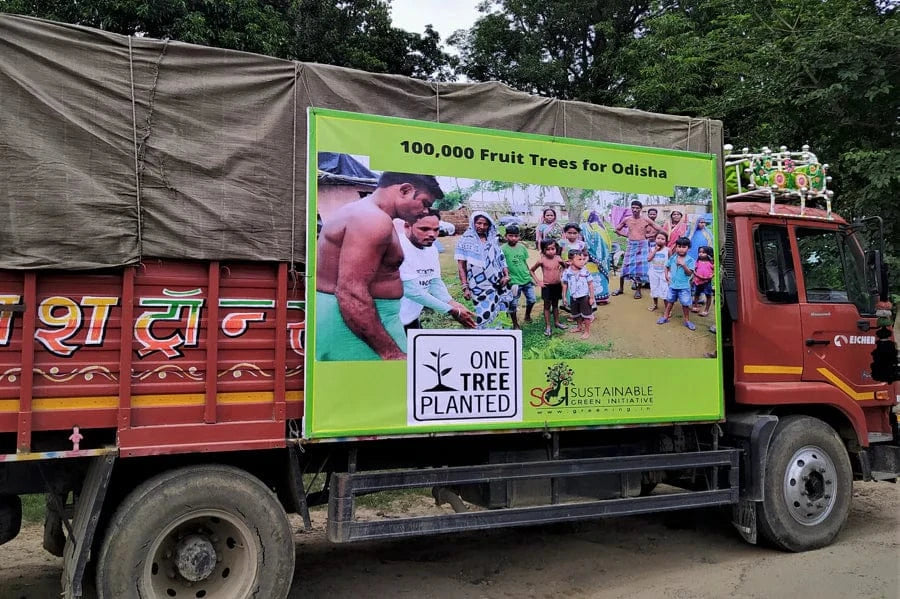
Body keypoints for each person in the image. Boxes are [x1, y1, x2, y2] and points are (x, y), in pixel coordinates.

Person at [316, 172, 442, 361]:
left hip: (357, 321)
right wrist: (390, 352)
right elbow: (351, 291)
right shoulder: (373, 220)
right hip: (358, 326)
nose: (425, 211)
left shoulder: (361, 212)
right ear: (405, 190)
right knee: (382, 388)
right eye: (425, 203)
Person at [396, 210, 475, 330]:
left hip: (411, 318)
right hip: (389, 322)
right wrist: (451, 310)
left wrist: (451, 302)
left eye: (436, 229)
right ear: (407, 226)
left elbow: (434, 281)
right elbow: (411, 291)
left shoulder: (431, 249)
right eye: (424, 229)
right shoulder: (397, 248)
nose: (432, 234)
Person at [456, 211, 515, 329]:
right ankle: (485, 337)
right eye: (479, 223)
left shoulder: (492, 240)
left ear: (489, 225)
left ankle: (499, 334)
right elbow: (461, 265)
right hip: (478, 286)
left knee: (499, 310)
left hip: (497, 283)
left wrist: (506, 275)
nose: (481, 227)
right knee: (482, 311)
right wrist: (465, 286)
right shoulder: (464, 241)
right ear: (473, 223)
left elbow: (501, 258)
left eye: (485, 224)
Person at [614, 200, 663, 299]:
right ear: (631, 208)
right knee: (625, 266)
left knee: (639, 269)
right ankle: (620, 289)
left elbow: (658, 228)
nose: (635, 210)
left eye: (637, 208)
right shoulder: (627, 219)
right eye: (633, 208)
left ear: (641, 209)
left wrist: (650, 235)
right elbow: (617, 229)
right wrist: (626, 234)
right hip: (631, 245)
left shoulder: (646, 220)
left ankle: (638, 290)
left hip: (642, 245)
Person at [657, 236, 696, 330]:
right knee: (670, 302)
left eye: (684, 247)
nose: (681, 249)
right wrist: (666, 275)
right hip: (673, 285)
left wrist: (683, 265)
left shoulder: (690, 260)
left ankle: (687, 321)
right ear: (676, 247)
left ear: (688, 248)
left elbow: (689, 273)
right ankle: (665, 317)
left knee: (685, 304)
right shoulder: (673, 257)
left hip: (684, 287)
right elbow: (666, 266)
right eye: (679, 246)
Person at [501, 224, 536, 329]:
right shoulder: (502, 249)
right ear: (505, 236)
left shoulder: (522, 248)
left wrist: (531, 276)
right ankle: (515, 323)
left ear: (519, 236)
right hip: (514, 282)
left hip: (526, 279)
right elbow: (502, 265)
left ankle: (527, 315)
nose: (513, 238)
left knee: (532, 300)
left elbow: (525, 262)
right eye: (510, 235)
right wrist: (506, 277)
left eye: (516, 236)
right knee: (513, 303)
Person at [531, 240, 567, 336]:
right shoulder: (542, 260)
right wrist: (538, 281)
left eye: (553, 249)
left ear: (556, 249)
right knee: (547, 306)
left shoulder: (558, 258)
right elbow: (531, 270)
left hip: (557, 285)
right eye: (548, 249)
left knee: (555, 305)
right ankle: (548, 326)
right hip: (547, 286)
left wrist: (562, 273)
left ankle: (557, 322)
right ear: (543, 250)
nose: (551, 251)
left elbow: (565, 267)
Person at [562, 248, 596, 340]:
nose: (582, 262)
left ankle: (587, 331)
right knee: (576, 313)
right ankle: (579, 326)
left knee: (586, 315)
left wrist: (591, 297)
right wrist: (564, 297)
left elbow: (591, 284)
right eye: (579, 259)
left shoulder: (585, 271)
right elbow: (565, 284)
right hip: (573, 297)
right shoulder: (567, 272)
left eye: (583, 259)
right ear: (570, 261)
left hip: (584, 297)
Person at [580, 209, 611, 305]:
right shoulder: (601, 227)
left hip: (588, 256)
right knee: (596, 276)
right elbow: (608, 244)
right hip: (598, 258)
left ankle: (592, 297)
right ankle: (601, 298)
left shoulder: (583, 227)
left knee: (592, 276)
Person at [646, 232, 670, 312]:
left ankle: (667, 309)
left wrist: (669, 274)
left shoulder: (668, 250)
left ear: (666, 241)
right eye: (658, 238)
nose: (660, 240)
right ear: (655, 239)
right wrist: (655, 250)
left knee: (665, 290)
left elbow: (670, 262)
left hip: (664, 273)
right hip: (653, 273)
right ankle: (655, 304)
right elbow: (649, 259)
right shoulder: (652, 249)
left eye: (662, 239)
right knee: (654, 288)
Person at [691, 245, 715, 317]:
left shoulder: (711, 263)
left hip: (707, 281)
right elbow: (694, 270)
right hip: (698, 280)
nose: (700, 253)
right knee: (697, 293)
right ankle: (695, 306)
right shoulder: (698, 261)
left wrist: (710, 276)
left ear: (708, 253)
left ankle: (706, 310)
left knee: (708, 295)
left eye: (703, 252)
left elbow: (715, 271)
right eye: (700, 252)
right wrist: (697, 275)